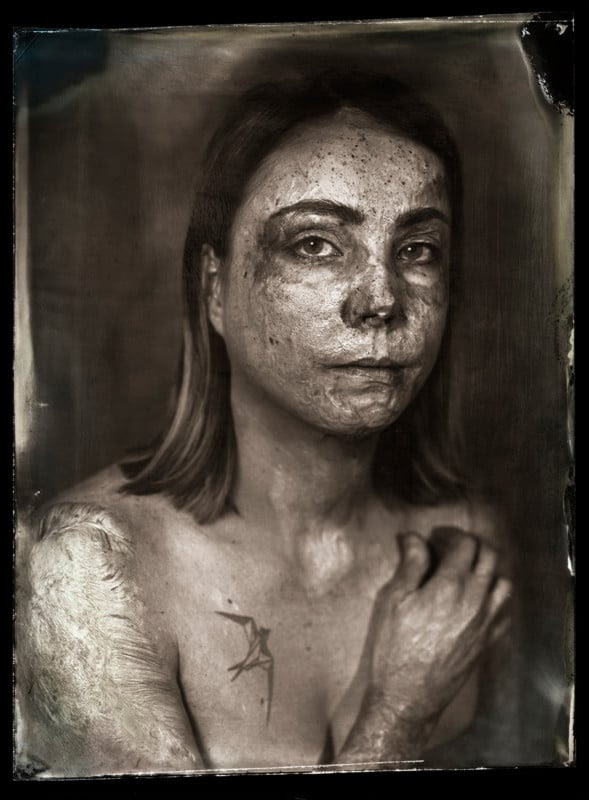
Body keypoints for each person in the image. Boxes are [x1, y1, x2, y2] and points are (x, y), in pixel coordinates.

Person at [16, 69, 512, 776]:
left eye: (417, 250)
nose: (380, 299)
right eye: (314, 244)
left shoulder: (464, 546)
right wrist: (400, 716)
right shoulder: (87, 571)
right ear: (214, 286)